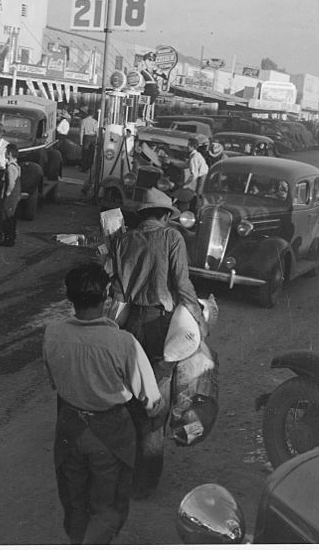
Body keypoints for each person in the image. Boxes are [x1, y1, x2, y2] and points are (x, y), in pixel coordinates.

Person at [43, 262, 162, 544]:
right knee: (107, 506)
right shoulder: (123, 342)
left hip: (69, 431)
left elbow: (53, 382)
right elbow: (152, 401)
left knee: (75, 501)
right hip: (110, 435)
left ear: (69, 296)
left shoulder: (53, 333)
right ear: (107, 295)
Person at [110, 188, 202, 498]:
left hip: (132, 323)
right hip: (162, 327)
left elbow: (119, 294)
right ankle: (145, 483)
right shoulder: (172, 238)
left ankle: (124, 470)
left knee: (131, 397)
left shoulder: (124, 240)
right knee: (156, 404)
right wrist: (199, 319)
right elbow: (183, 283)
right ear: (164, 215)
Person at [0, 144, 21, 247]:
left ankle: (8, 239)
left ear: (10, 154)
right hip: (15, 196)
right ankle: (10, 237)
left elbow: (11, 182)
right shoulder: (16, 165)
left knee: (7, 217)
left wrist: (7, 193)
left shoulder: (11, 167)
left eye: (6, 152)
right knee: (11, 217)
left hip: (11, 196)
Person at [183, 137, 209, 212]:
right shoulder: (195, 155)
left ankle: (196, 211)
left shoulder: (194, 157)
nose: (187, 146)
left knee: (198, 194)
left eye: (189, 145)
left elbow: (194, 174)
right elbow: (185, 165)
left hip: (202, 177)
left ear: (193, 146)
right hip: (202, 175)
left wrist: (186, 184)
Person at [79, 109, 98, 173]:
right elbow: (96, 131)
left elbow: (81, 131)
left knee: (85, 153)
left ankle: (84, 168)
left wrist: (81, 141)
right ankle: (89, 167)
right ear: (92, 115)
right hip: (93, 137)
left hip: (86, 137)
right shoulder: (95, 121)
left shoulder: (84, 120)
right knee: (91, 153)